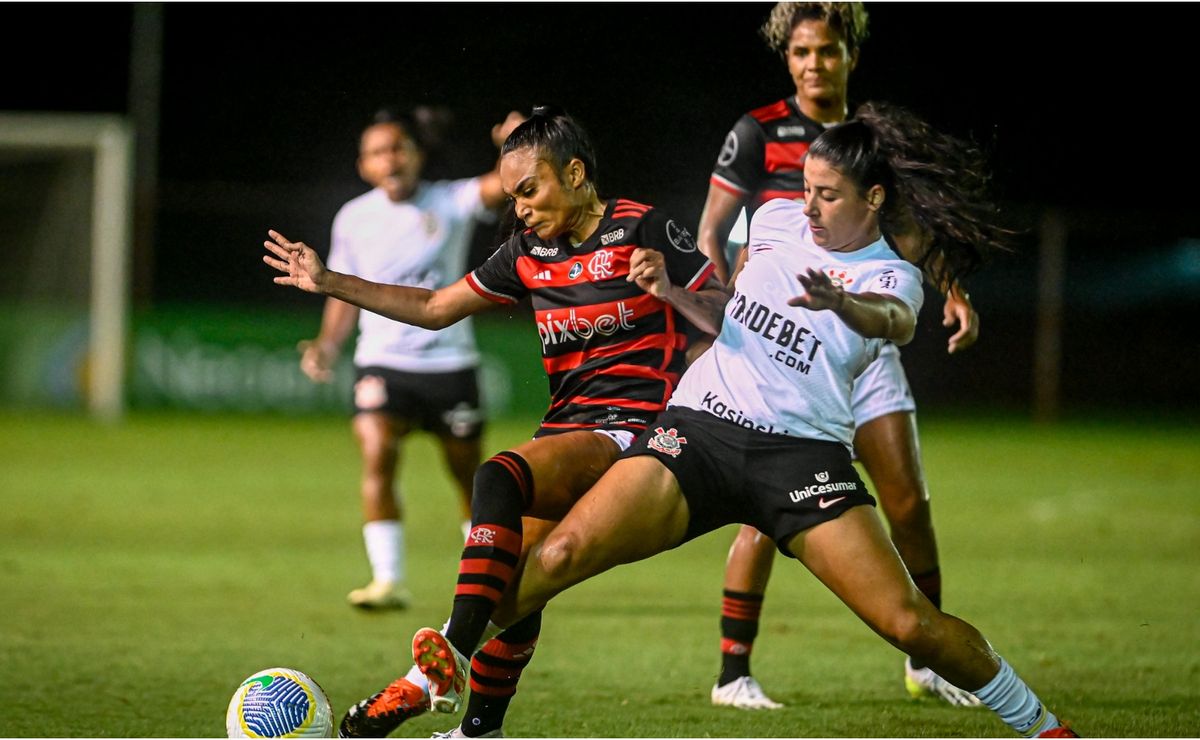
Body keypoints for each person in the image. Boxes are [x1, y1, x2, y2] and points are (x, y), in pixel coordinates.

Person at [407, 102, 1077, 739]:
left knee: (909, 625)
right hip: (698, 433)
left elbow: (893, 322)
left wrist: (842, 304)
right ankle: (436, 673)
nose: (808, 204)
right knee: (555, 554)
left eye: (829, 194)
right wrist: (670, 291)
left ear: (873, 199)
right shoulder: (777, 218)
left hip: (801, 457)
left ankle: (1044, 726)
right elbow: (726, 310)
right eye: (807, 187)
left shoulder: (891, 276)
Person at [264, 106, 725, 738]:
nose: (521, 208)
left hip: (638, 428)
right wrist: (328, 282)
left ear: (577, 173)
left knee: (498, 475)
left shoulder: (641, 225)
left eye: (530, 190)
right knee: (513, 586)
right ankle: (478, 729)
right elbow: (432, 307)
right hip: (570, 425)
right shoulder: (528, 253)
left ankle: (439, 666)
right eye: (511, 197)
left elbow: (728, 312)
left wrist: (673, 290)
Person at [696, 1, 982, 709]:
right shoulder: (758, 132)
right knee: (763, 514)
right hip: (778, 348)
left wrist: (951, 291)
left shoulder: (873, 138)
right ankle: (734, 673)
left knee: (909, 503)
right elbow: (712, 233)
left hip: (859, 339)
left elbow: (910, 232)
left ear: (850, 53)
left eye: (826, 51)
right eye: (800, 53)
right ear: (786, 59)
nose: (813, 65)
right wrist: (726, 311)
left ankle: (927, 660)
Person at [299, 107, 523, 610]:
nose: (390, 158)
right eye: (378, 152)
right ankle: (387, 579)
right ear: (364, 166)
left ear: (418, 154)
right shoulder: (354, 217)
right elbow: (342, 291)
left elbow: (506, 183)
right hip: (382, 361)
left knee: (469, 476)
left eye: (398, 147)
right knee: (377, 452)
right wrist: (327, 346)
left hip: (449, 364)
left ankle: (486, 581)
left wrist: (514, 142)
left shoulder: (450, 200)